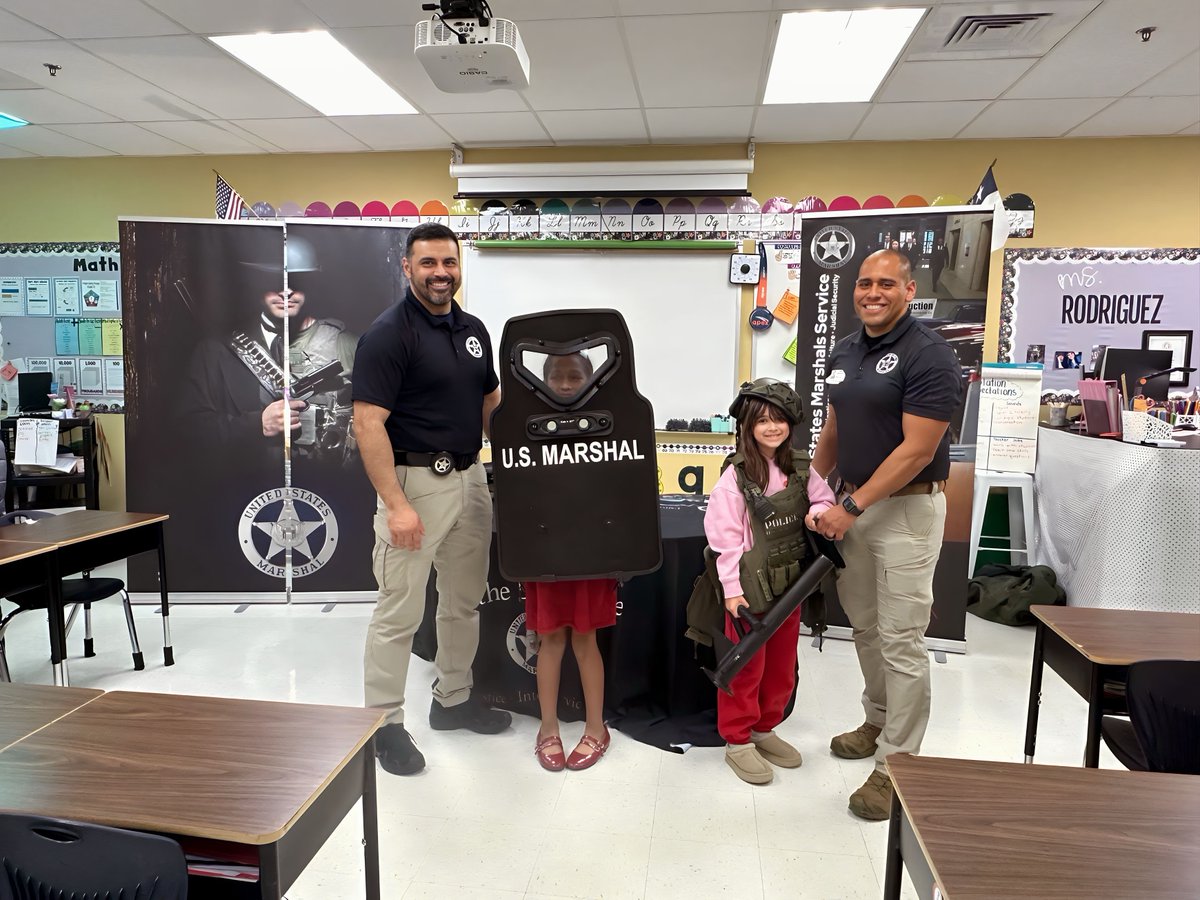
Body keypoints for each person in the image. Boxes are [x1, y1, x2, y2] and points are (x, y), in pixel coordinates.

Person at [805, 248, 961, 820]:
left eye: (886, 284)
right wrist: (812, 491)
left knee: (901, 638)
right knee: (866, 628)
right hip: (853, 508)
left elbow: (918, 450)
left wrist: (851, 506)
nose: (873, 292)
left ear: (909, 290)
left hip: (905, 512)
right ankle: (876, 719)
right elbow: (834, 430)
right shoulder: (845, 351)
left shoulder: (930, 354)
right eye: (865, 283)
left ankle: (898, 764)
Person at [351, 222, 509, 776]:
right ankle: (383, 725)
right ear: (407, 267)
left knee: (463, 601)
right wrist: (396, 505)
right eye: (428, 264)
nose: (441, 273)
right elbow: (368, 424)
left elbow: (490, 400)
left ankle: (453, 700)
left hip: (471, 481)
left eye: (449, 262)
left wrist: (518, 452)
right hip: (414, 484)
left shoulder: (473, 329)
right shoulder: (389, 334)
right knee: (398, 613)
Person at [699, 378, 835, 785]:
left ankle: (764, 729)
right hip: (749, 590)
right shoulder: (735, 477)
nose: (772, 427)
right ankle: (738, 741)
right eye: (762, 421)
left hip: (790, 586)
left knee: (780, 669)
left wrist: (818, 513)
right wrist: (732, 591)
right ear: (747, 426)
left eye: (778, 419)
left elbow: (824, 497)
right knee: (746, 668)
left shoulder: (800, 466)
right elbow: (723, 539)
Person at [524, 351, 618, 772]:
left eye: (574, 375)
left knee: (585, 640)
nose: (564, 383)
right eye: (556, 376)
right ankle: (547, 729)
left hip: (590, 553)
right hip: (545, 551)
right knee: (551, 639)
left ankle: (597, 728)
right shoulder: (526, 428)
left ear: (590, 378)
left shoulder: (608, 424)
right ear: (541, 381)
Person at [187, 235, 358, 464]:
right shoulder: (217, 352)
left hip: (328, 483)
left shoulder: (347, 344)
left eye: (296, 282)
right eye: (275, 282)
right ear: (258, 285)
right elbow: (188, 432)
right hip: (251, 486)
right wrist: (255, 424)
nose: (285, 292)